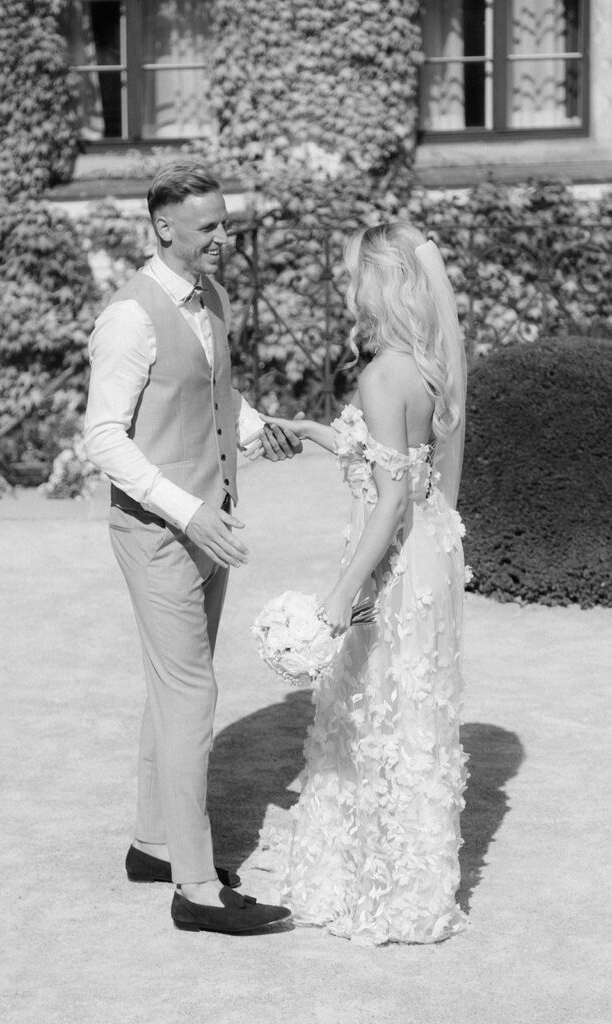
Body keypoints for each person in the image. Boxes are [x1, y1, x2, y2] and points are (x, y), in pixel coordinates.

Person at [84, 162, 301, 934]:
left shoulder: (211, 297)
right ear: (163, 228)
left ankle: (154, 843)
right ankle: (196, 888)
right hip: (158, 533)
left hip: (211, 523)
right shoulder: (129, 317)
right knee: (192, 698)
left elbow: (214, 394)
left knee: (176, 689)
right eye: (207, 226)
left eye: (225, 223)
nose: (222, 238)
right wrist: (186, 511)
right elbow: (102, 437)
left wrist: (260, 429)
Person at [265, 222, 468, 944]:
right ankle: (411, 885)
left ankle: (377, 891)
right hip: (430, 552)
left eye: (351, 274)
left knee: (373, 714)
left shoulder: (379, 375)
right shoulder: (424, 366)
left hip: (395, 560)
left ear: (376, 286)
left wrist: (341, 592)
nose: (344, 286)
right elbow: (398, 460)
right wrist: (312, 430)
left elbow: (388, 500)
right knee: (409, 718)